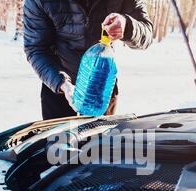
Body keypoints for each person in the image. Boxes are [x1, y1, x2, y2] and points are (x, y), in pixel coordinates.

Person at [24, 0, 153, 120]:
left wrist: (127, 25)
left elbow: (146, 33)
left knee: (100, 144)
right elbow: (36, 48)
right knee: (59, 143)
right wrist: (62, 84)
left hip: (102, 88)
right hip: (58, 86)